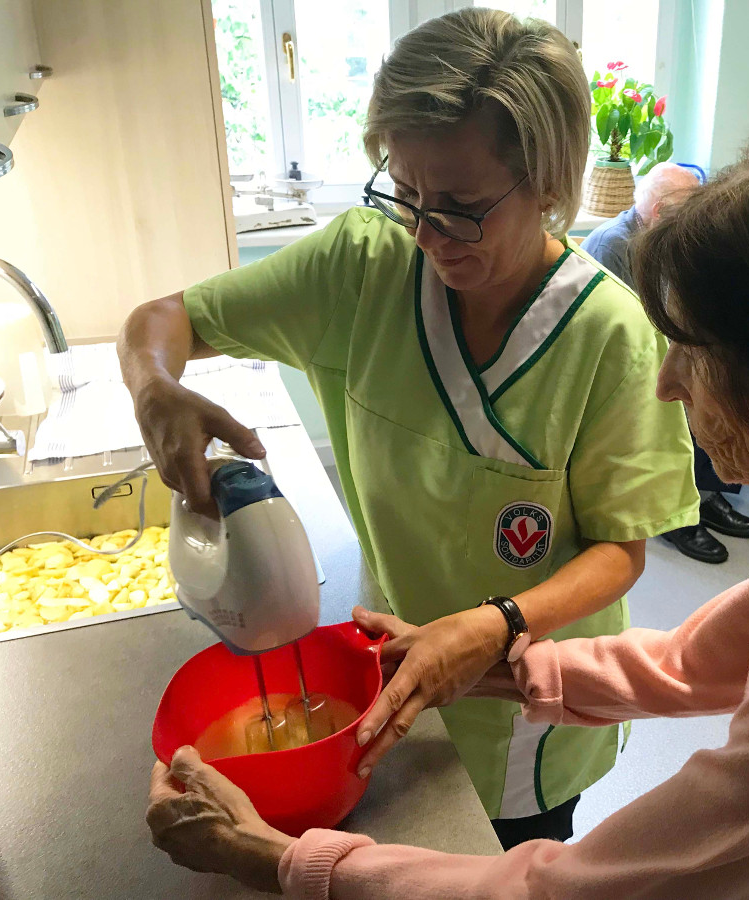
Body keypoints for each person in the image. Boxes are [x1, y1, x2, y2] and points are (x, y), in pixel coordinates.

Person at [147, 120, 749, 899]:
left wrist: (282, 859)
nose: (668, 384)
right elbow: (696, 660)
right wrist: (484, 664)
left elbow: (584, 889)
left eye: (695, 353)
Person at [122, 8, 699, 849]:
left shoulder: (610, 336)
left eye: (460, 206)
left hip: (526, 704)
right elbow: (162, 319)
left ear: (547, 184)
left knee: (505, 866)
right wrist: (154, 387)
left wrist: (496, 625)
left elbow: (622, 551)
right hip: (382, 669)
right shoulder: (363, 265)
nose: (425, 233)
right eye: (406, 192)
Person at [583, 163, 749, 564]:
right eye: (688, 210)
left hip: (657, 348)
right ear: (661, 211)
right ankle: (676, 514)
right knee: (688, 395)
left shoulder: (661, 237)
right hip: (619, 367)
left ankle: (705, 496)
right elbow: (622, 329)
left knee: (718, 383)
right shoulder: (614, 244)